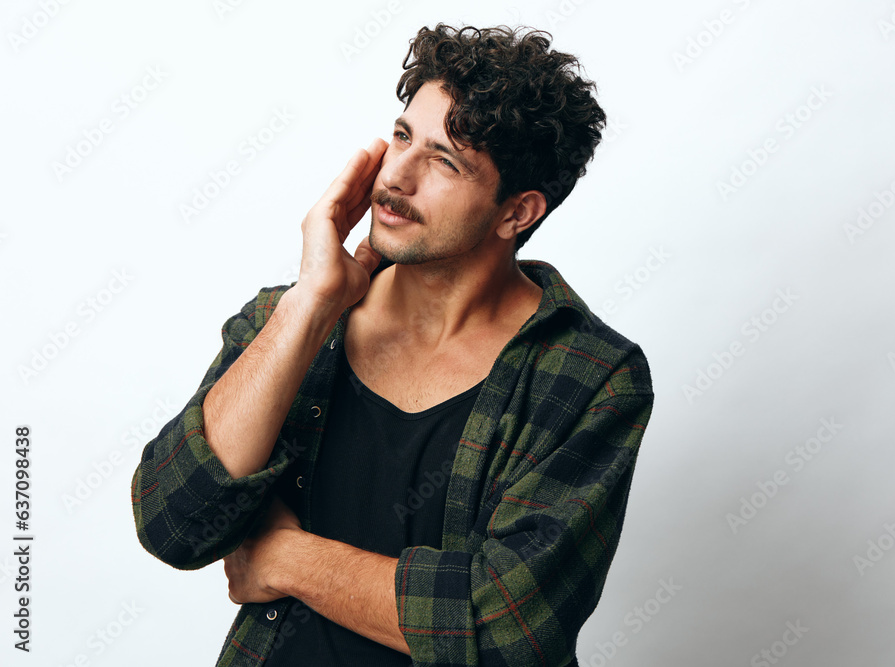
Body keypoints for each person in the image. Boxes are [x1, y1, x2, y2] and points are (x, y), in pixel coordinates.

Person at [131, 23, 654, 667]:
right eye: (403, 137)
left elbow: (506, 632)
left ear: (517, 212)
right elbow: (172, 524)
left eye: (444, 161)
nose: (395, 178)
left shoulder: (592, 375)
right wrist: (311, 307)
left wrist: (285, 557)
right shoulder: (287, 319)